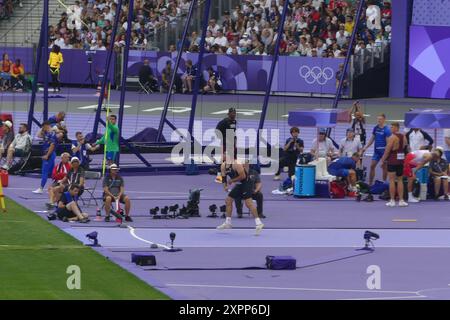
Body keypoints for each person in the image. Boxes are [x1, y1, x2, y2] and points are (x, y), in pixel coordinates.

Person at [217, 158, 264, 235]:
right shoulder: (223, 166)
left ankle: (259, 223)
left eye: (224, 154)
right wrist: (225, 186)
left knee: (248, 203)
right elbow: (223, 177)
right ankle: (228, 222)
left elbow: (243, 176)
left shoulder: (236, 164)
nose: (222, 156)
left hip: (247, 183)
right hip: (239, 185)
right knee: (228, 200)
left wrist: (232, 180)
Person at [380, 122, 408, 207]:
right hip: (400, 160)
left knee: (392, 180)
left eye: (392, 127)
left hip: (392, 160)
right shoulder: (404, 137)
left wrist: (382, 160)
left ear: (396, 128)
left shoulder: (392, 138)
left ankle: (392, 200)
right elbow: (404, 147)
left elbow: (387, 150)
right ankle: (401, 200)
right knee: (400, 180)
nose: (391, 129)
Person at [361, 114, 391, 185]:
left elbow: (388, 143)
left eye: (380, 119)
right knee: (372, 166)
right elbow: (372, 139)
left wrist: (386, 154)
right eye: (378, 119)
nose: (378, 120)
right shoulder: (376, 128)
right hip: (376, 152)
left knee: (384, 168)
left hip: (384, 152)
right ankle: (370, 183)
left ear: (384, 120)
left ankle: (384, 183)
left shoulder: (387, 130)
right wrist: (365, 147)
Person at [33, 121, 58, 194]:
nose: (42, 129)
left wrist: (47, 155)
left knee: (45, 172)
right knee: (52, 173)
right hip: (47, 154)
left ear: (46, 126)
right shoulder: (46, 133)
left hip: (49, 155)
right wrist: (43, 129)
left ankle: (41, 188)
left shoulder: (52, 134)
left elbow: (52, 145)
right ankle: (53, 187)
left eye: (43, 127)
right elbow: (38, 135)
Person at [215, 107, 237, 182]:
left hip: (232, 144)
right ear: (228, 113)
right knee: (224, 159)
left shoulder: (234, 122)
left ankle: (232, 175)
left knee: (232, 160)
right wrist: (224, 139)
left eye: (235, 113)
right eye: (232, 113)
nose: (234, 114)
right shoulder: (223, 122)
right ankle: (218, 176)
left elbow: (233, 132)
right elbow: (217, 132)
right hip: (225, 144)